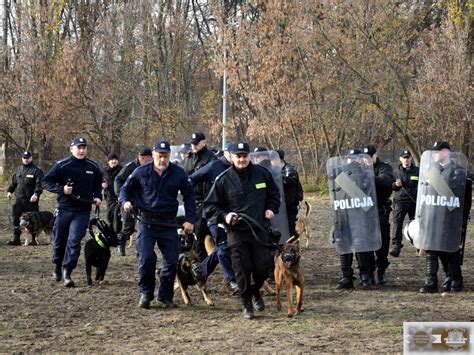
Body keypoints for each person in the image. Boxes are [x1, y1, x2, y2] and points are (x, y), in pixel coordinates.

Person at [205, 142, 280, 320]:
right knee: (242, 268)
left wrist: (271, 208)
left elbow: (274, 195)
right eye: (238, 156)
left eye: (244, 156)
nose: (241, 159)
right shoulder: (223, 179)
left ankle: (255, 291)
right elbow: (210, 207)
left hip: (260, 229)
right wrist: (225, 216)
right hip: (237, 232)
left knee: (262, 267)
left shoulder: (262, 174)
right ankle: (246, 302)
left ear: (249, 157)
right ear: (232, 157)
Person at [120, 140, 196, 309]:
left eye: (166, 156)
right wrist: (125, 202)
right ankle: (146, 293)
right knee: (147, 259)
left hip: (169, 223)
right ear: (153, 155)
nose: (162, 160)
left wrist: (190, 219)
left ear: (170, 155)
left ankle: (166, 296)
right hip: (147, 222)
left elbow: (190, 196)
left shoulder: (179, 173)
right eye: (160, 156)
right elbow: (125, 189)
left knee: (170, 261)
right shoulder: (140, 172)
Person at [42, 137, 102, 287]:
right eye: (78, 147)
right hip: (64, 209)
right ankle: (57, 265)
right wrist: (61, 189)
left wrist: (98, 197)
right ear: (71, 149)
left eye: (84, 147)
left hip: (82, 211)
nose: (81, 150)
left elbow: (97, 185)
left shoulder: (93, 166)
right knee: (58, 242)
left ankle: (67, 272)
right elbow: (45, 182)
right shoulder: (62, 165)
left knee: (74, 241)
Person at [418, 141, 471, 293]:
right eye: (433, 151)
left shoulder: (458, 172)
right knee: (430, 249)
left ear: (446, 153)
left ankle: (455, 278)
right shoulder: (430, 171)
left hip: (450, 218)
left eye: (438, 151)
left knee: (450, 249)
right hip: (431, 217)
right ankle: (430, 282)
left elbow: (464, 199)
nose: (434, 154)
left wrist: (461, 218)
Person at [189, 142, 238, 294]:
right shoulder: (214, 166)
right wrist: (195, 197)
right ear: (226, 153)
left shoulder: (239, 168)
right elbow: (192, 179)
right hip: (214, 213)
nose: (235, 157)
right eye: (233, 154)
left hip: (232, 214)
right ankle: (232, 281)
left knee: (228, 247)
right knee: (223, 246)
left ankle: (201, 271)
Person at [362, 144, 394, 286]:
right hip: (364, 211)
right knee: (366, 243)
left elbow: (387, 181)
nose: (367, 160)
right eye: (364, 157)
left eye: (370, 156)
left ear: (376, 155)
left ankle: (381, 270)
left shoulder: (384, 167)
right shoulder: (360, 168)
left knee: (382, 243)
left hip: (380, 210)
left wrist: (368, 177)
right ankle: (368, 271)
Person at [183, 132, 216, 261]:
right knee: (192, 235)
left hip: (206, 201)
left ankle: (201, 265)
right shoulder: (189, 158)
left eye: (197, 143)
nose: (194, 146)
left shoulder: (211, 158)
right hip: (192, 200)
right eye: (193, 143)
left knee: (201, 236)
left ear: (204, 142)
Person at [114, 147, 153, 256]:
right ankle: (121, 244)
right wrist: (121, 196)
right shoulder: (130, 167)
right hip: (128, 201)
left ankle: (140, 250)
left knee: (144, 227)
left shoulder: (152, 167)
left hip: (143, 201)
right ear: (144, 158)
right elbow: (118, 180)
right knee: (128, 226)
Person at [6, 151, 44, 246]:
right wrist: (10, 191)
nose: (26, 159)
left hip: (31, 200)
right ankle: (16, 239)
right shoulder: (18, 169)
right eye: (24, 158)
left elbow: (40, 185)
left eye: (27, 158)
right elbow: (14, 183)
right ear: (22, 158)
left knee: (33, 219)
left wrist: (36, 194)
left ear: (31, 158)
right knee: (15, 218)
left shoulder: (36, 170)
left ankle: (33, 240)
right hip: (19, 199)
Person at [390, 150, 419, 257]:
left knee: (417, 225)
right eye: (404, 158)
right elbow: (390, 186)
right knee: (397, 224)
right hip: (400, 202)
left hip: (414, 202)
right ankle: (396, 246)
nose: (406, 160)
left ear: (411, 158)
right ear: (400, 159)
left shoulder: (417, 171)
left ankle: (419, 246)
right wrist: (395, 185)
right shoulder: (395, 172)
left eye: (408, 157)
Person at [276, 149, 304, 238]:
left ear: (281, 159)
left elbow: (291, 181)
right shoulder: (275, 170)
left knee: (290, 226)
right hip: (280, 204)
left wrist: (279, 177)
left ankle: (292, 247)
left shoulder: (290, 169)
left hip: (290, 203)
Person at [102, 153, 122, 234]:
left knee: (118, 217)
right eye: (111, 159)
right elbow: (100, 180)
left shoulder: (122, 170)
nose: (113, 161)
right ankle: (111, 234)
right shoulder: (104, 171)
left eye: (115, 159)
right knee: (110, 216)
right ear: (108, 161)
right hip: (109, 198)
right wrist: (102, 184)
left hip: (119, 197)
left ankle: (118, 235)